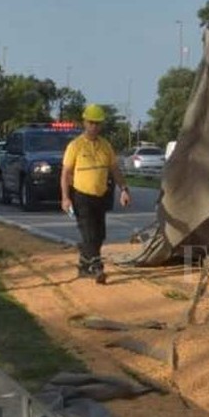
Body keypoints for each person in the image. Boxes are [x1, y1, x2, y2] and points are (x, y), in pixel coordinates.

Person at [61, 103, 131, 283]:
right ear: (84, 122)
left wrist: (124, 189)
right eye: (91, 122)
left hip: (100, 197)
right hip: (81, 196)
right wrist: (65, 198)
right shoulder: (75, 146)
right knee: (89, 233)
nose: (94, 126)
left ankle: (84, 266)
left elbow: (115, 170)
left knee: (99, 235)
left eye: (97, 123)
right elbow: (66, 173)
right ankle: (97, 267)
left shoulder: (105, 146)